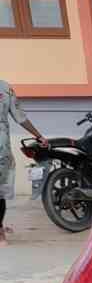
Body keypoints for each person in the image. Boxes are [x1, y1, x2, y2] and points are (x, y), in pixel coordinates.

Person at [0, 79, 46, 243]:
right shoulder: (5, 88)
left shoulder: (5, 88)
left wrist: (38, 136)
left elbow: (20, 117)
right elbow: (20, 117)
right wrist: (38, 136)